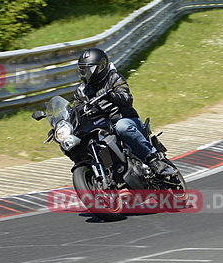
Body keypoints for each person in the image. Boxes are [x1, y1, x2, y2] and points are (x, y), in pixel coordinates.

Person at [73, 48, 174, 176]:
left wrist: (111, 96)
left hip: (124, 118)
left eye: (87, 69)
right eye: (82, 69)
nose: (84, 73)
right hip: (101, 127)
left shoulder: (113, 78)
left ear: (99, 68)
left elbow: (127, 99)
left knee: (122, 127)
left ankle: (153, 159)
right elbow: (76, 108)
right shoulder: (82, 90)